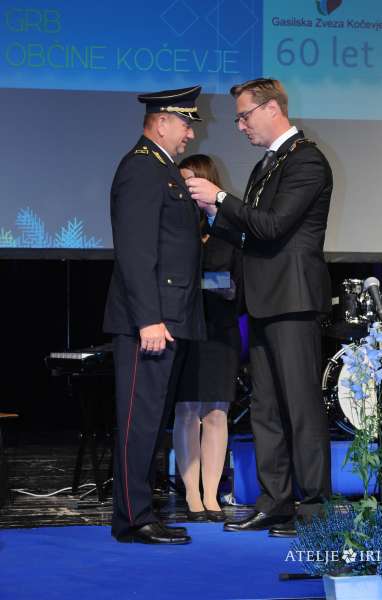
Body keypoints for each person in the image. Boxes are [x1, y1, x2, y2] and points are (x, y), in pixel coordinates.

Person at [186, 78, 332, 537]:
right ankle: (275, 503)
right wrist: (215, 215)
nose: (240, 126)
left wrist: (220, 197)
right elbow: (250, 236)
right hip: (264, 300)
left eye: (244, 116)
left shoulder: (307, 160)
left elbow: (273, 226)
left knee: (301, 407)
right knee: (265, 407)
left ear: (272, 109)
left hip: (293, 300)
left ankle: (314, 509)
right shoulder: (267, 164)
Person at [103, 86, 206, 545]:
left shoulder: (160, 168)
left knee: (149, 420)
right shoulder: (142, 168)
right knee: (139, 422)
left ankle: (140, 512)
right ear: (161, 122)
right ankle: (134, 519)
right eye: (185, 123)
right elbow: (136, 250)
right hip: (149, 321)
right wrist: (148, 318)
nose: (190, 134)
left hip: (167, 316)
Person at [173, 155, 242, 522]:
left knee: (216, 412)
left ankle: (212, 495)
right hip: (185, 329)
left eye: (190, 182)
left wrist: (209, 284)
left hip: (220, 329)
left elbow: (237, 282)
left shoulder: (231, 227)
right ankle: (191, 495)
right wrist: (208, 283)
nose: (185, 190)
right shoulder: (175, 225)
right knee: (186, 410)